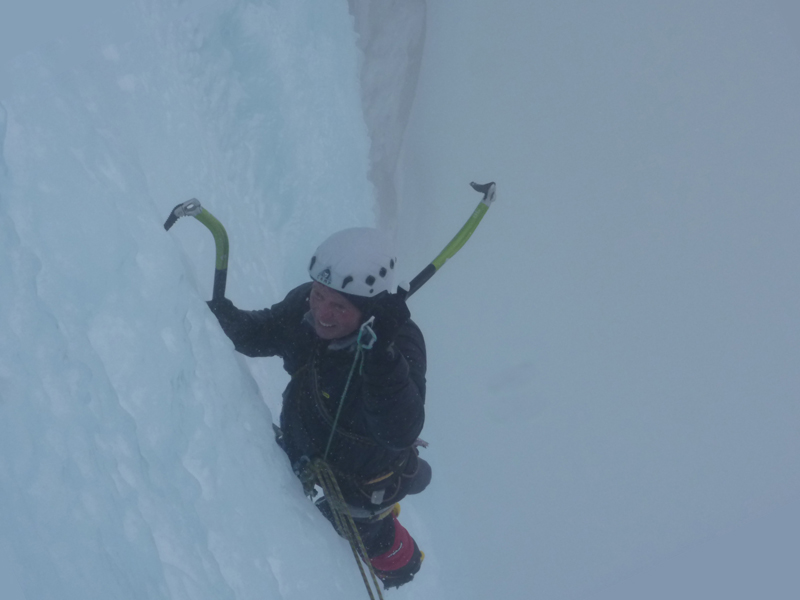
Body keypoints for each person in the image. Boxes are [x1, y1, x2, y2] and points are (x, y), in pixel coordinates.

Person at [206, 227, 431, 588]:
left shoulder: (400, 341)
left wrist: (381, 357)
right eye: (319, 295)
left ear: (369, 309)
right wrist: (223, 318)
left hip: (359, 482)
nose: (322, 313)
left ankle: (404, 564)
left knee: (365, 533)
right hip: (306, 446)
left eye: (339, 306)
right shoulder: (306, 305)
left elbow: (399, 430)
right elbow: (262, 334)